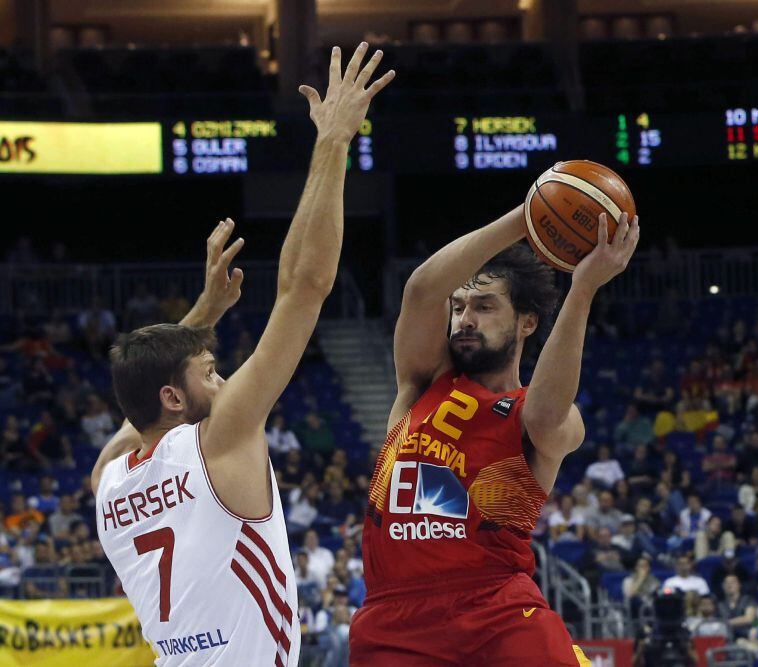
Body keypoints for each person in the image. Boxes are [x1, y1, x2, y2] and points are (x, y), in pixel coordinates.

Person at [91, 45, 394, 667]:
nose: (224, 378)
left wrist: (198, 324)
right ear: (174, 398)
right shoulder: (217, 439)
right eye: (210, 371)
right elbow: (304, 288)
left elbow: (137, 403)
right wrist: (333, 143)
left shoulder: (111, 486)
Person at [350, 176, 639, 664]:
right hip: (393, 618)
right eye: (460, 307)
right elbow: (422, 289)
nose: (464, 318)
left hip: (497, 609)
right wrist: (527, 218)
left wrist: (583, 288)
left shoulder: (543, 416)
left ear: (527, 323)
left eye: (484, 307)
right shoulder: (421, 384)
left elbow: (547, 412)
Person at [718, 574, 756, 639]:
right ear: (723, 586)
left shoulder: (748, 600)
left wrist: (727, 623)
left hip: (746, 634)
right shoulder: (720, 604)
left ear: (739, 585)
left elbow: (749, 618)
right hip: (725, 635)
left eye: (732, 582)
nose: (729, 585)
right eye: (726, 583)